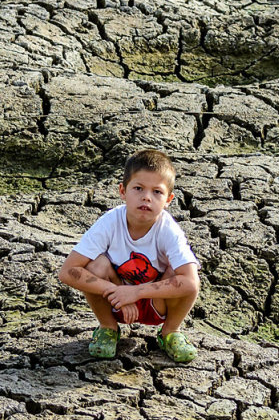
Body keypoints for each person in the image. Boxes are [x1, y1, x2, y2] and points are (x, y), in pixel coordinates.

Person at [58, 149, 201, 362]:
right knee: (95, 265)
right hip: (116, 303)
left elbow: (191, 283)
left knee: (180, 271)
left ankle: (170, 332)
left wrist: (136, 292)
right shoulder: (110, 222)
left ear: (169, 199)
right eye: (138, 188)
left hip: (156, 302)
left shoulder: (168, 229)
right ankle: (108, 328)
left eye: (157, 192)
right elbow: (68, 272)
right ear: (123, 191)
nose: (146, 197)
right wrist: (117, 292)